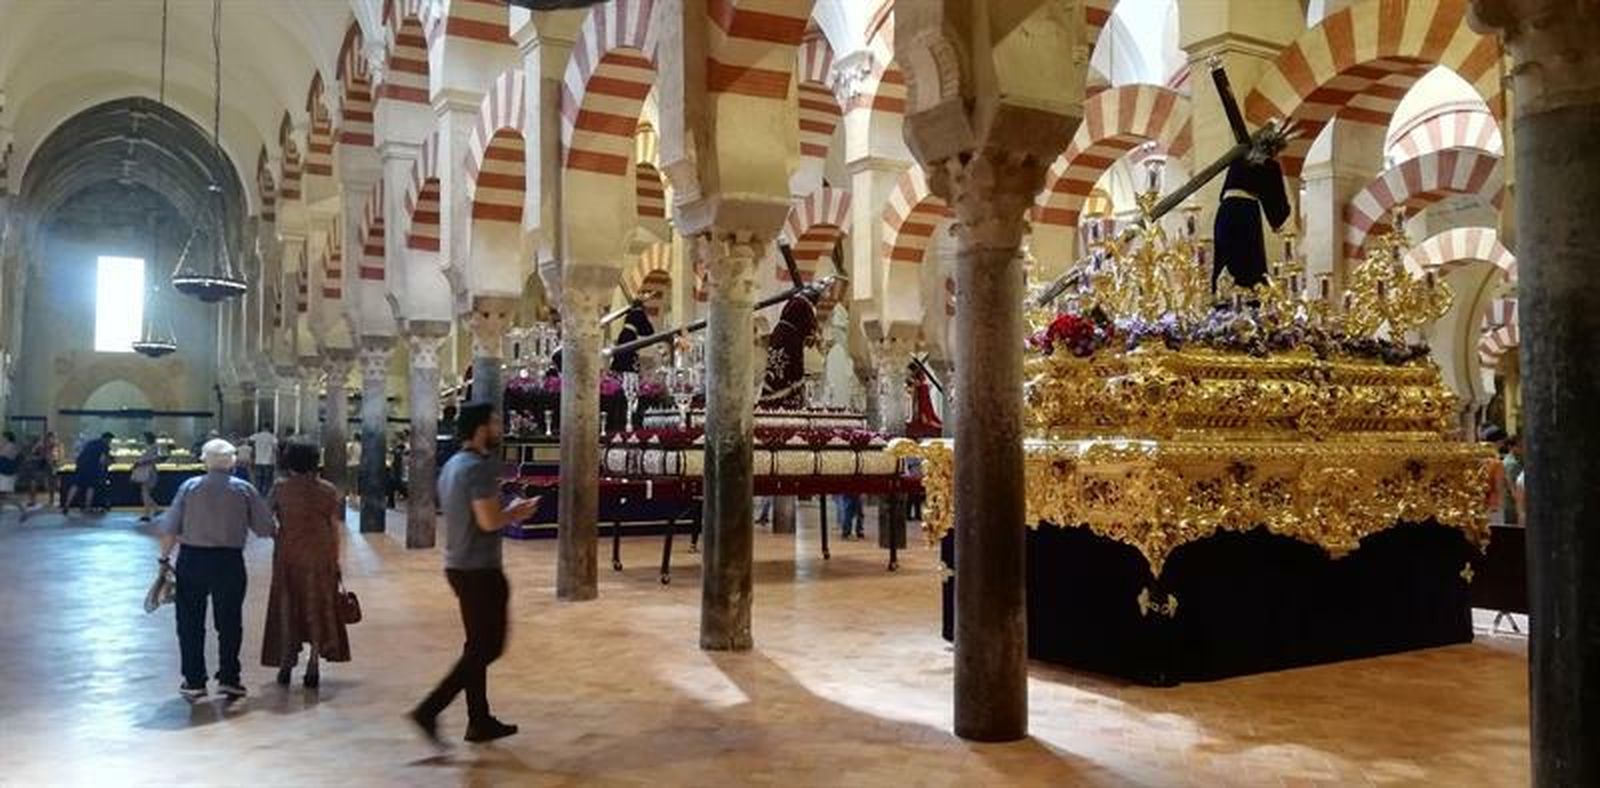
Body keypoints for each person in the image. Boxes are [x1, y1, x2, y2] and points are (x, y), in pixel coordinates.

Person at [410, 401, 538, 746]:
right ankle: (429, 709)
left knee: (476, 645)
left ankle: (478, 720)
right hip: (479, 569)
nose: (499, 428)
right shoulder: (478, 468)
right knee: (488, 648)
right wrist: (516, 512)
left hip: (458, 564)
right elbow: (488, 520)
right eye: (495, 423)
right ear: (481, 428)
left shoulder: (452, 465)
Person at [158, 439, 277, 700]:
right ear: (232, 461)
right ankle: (229, 678)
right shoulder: (244, 489)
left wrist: (164, 559)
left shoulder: (189, 487)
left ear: (205, 461)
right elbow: (265, 528)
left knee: (189, 621)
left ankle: (194, 680)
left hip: (192, 560)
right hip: (229, 561)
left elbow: (169, 528)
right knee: (230, 621)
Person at [261, 438, 350, 689]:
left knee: (287, 605)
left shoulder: (280, 489)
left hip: (288, 554)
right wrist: (335, 558)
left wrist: (278, 534)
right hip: (320, 554)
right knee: (318, 605)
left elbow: (266, 520)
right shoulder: (328, 490)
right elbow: (333, 527)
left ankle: (286, 663)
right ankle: (313, 664)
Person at [62, 432, 114, 515]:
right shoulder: (104, 446)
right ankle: (87, 507)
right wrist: (107, 464)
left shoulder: (91, 442)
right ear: (107, 439)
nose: (110, 442)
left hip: (81, 466)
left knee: (76, 485)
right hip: (92, 468)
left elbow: (82, 453)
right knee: (91, 486)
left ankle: (67, 505)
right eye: (110, 440)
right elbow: (102, 460)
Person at [25, 431, 61, 510]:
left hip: (48, 466)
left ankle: (49, 500)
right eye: (52, 438)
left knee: (50, 483)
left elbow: (56, 457)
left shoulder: (54, 445)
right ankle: (33, 500)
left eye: (53, 438)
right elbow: (33, 453)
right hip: (42, 466)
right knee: (35, 482)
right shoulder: (42, 445)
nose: (52, 439)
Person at [132, 432, 163, 523]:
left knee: (145, 492)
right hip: (150, 471)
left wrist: (139, 463)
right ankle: (156, 509)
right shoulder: (154, 447)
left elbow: (151, 459)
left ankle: (147, 513)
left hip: (148, 472)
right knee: (145, 492)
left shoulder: (152, 447)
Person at [249, 425, 279, 494]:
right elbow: (276, 449)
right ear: (269, 428)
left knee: (258, 479)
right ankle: (266, 493)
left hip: (258, 461)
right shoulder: (272, 437)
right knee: (268, 479)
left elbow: (249, 439)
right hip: (269, 461)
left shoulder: (257, 435)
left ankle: (257, 493)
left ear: (263, 428)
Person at [0, 432, 23, 518]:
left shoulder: (10, 446)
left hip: (6, 475)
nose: (1, 439)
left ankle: (22, 510)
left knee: (7, 495)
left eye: (3, 437)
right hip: (4, 473)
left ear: (7, 438)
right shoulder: (7, 446)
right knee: (2, 495)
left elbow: (4, 455)